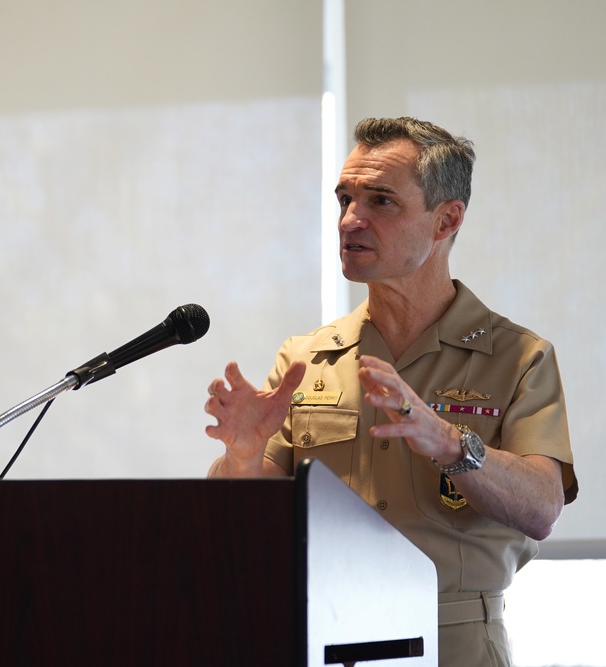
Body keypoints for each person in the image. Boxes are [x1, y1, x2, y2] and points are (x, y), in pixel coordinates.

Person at [204, 117, 578, 667]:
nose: (351, 219)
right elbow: (247, 519)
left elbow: (543, 507)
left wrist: (449, 442)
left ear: (446, 220)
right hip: (319, 636)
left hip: (453, 639)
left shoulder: (520, 358)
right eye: (345, 198)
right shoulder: (305, 361)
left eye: (381, 201)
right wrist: (239, 457)